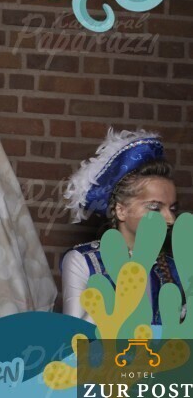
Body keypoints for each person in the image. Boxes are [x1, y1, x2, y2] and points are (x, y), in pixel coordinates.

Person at [61, 129, 182, 324]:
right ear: (121, 210)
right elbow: (74, 336)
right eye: (155, 207)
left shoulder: (175, 267)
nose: (170, 219)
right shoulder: (84, 261)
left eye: (173, 209)